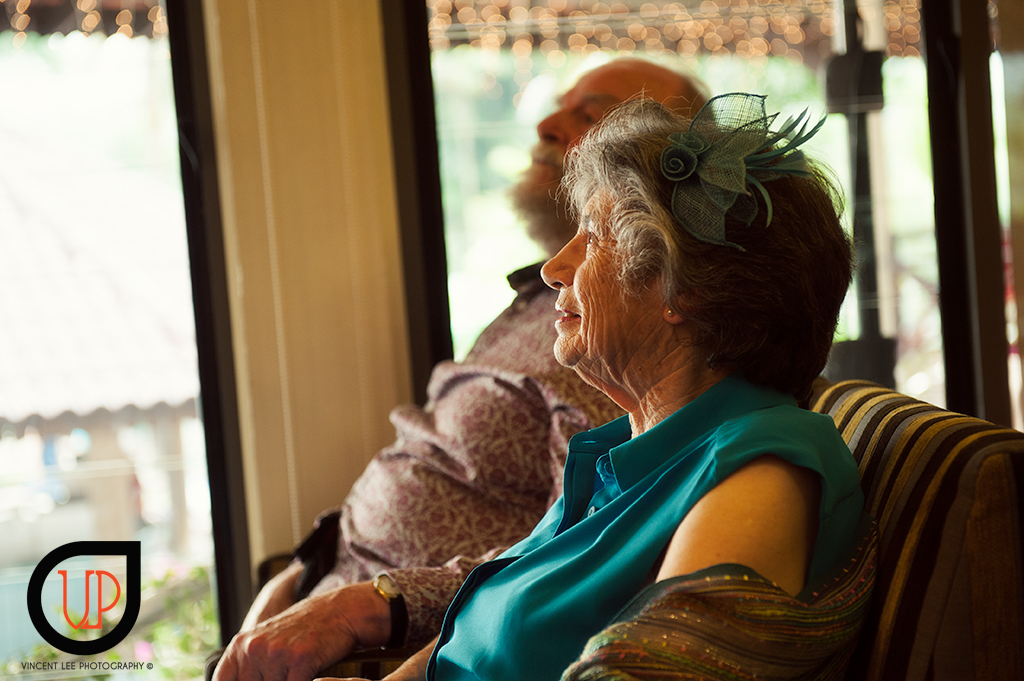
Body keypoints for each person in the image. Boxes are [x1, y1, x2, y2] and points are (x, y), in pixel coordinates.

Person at [324, 94, 874, 681]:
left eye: (592, 235)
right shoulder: (623, 455)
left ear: (684, 289)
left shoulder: (759, 475)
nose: (553, 268)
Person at [210, 58, 709, 681]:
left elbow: (572, 562)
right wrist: (296, 580)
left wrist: (373, 606)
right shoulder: (543, 304)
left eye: (591, 114)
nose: (547, 124)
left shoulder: (623, 346)